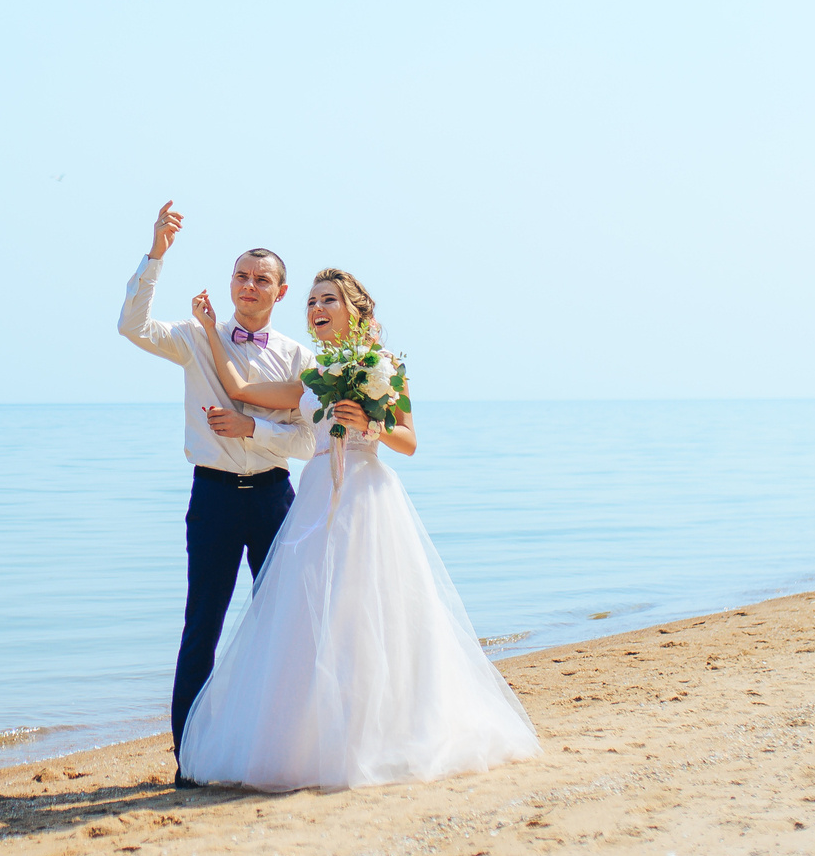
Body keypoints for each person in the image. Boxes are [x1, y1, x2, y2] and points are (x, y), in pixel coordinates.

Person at [175, 269, 538, 791]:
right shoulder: (312, 372)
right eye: (311, 301)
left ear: (355, 310)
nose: (317, 309)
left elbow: (410, 441)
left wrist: (372, 425)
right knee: (306, 615)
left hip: (369, 497)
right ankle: (306, 739)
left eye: (328, 300)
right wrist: (209, 329)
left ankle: (381, 733)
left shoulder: (386, 367)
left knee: (372, 611)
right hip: (317, 493)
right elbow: (239, 386)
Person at [117, 201, 315, 781]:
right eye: (241, 276)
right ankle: (190, 759)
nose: (248, 286)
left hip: (276, 499)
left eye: (261, 280)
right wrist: (156, 253)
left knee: (279, 623)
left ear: (280, 292)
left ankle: (274, 748)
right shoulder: (194, 338)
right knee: (201, 624)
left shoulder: (300, 356)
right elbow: (131, 327)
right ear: (232, 283)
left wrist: (256, 429)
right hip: (213, 497)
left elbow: (308, 443)